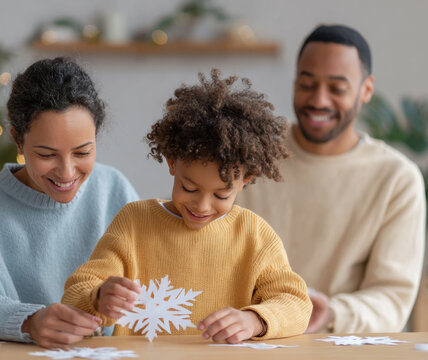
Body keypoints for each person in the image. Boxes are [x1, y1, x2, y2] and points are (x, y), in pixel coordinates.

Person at [62, 69, 312, 343]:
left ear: (245, 181)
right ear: (171, 162)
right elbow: (76, 293)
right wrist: (98, 297)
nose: (202, 205)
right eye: (189, 188)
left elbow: (296, 304)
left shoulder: (255, 235)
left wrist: (254, 321)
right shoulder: (134, 222)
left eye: (221, 195)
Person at [237, 24, 426, 333]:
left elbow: (393, 298)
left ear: (366, 90)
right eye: (307, 84)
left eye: (337, 88)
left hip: (338, 344)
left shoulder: (397, 179)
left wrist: (331, 313)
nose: (319, 100)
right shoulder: (251, 151)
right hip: (244, 338)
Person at [0, 57, 139, 348]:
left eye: (82, 152)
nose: (67, 172)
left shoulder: (115, 190)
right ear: (17, 141)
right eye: (47, 155)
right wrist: (29, 321)